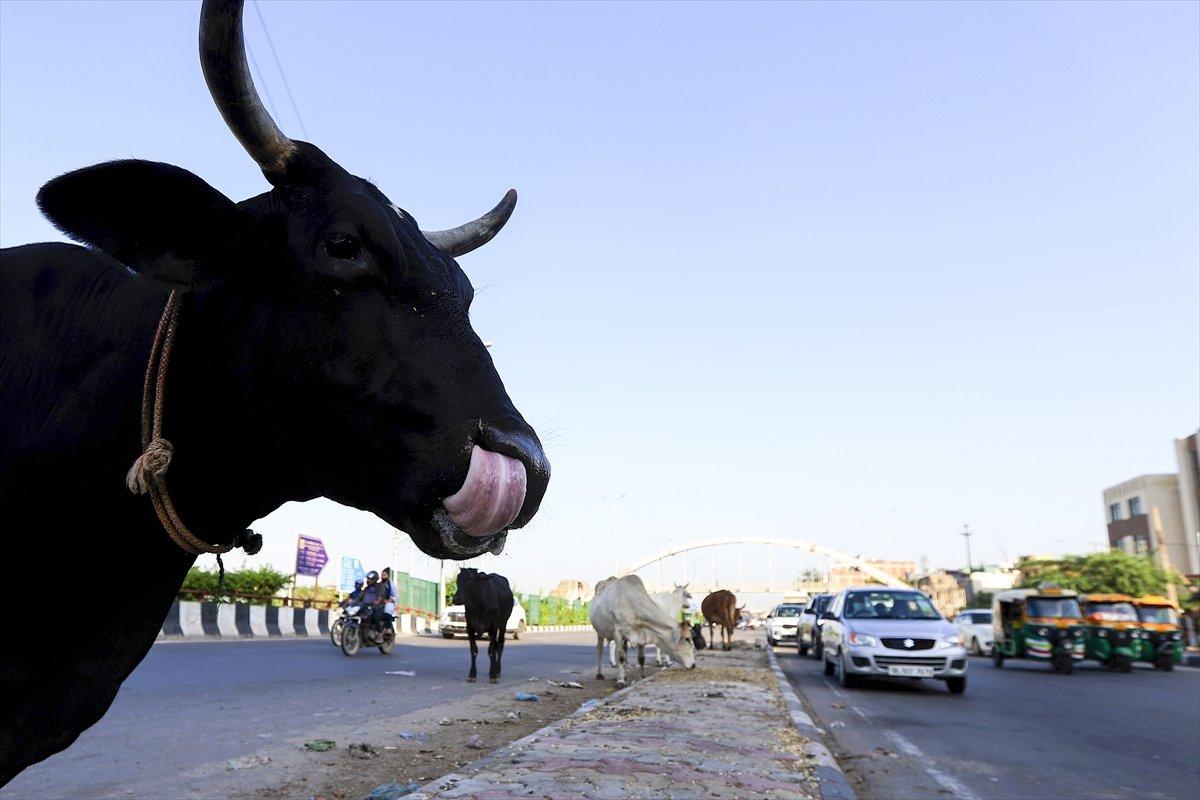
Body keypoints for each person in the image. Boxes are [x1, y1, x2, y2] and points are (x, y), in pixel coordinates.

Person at [358, 571, 388, 640]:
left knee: (375, 617)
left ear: (374, 579)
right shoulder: (366, 588)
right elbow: (360, 597)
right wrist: (353, 602)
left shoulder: (380, 586)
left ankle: (380, 634)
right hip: (367, 606)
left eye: (370, 579)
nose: (368, 580)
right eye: (367, 579)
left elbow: (381, 595)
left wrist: (378, 601)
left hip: (378, 607)